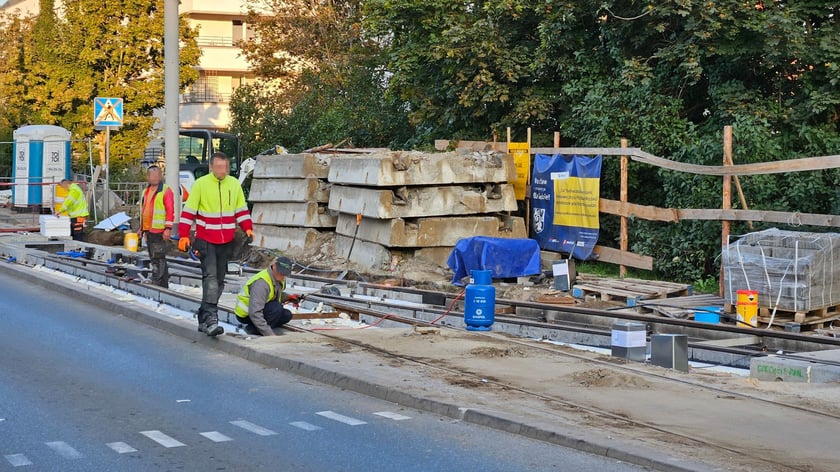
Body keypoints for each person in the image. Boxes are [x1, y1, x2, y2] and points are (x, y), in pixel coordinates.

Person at [178, 152, 254, 337]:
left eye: (225, 167)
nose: (222, 171)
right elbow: (189, 211)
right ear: (211, 167)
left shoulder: (233, 184)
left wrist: (248, 228)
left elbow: (241, 210)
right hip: (205, 240)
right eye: (219, 167)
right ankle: (212, 319)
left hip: (226, 240)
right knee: (211, 279)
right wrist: (183, 235)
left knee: (219, 281)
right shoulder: (201, 184)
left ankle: (203, 316)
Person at [234, 256, 301, 336]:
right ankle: (254, 329)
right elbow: (255, 313)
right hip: (247, 315)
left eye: (284, 274)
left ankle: (261, 327)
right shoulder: (261, 284)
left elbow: (273, 294)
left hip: (259, 308)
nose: (283, 277)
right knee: (276, 307)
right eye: (281, 273)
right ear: (274, 266)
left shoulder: (278, 278)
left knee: (286, 315)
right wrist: (270, 335)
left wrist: (289, 297)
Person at [138, 165, 175, 288]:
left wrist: (168, 228)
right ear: (147, 177)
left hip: (159, 230)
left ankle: (157, 282)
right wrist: (141, 228)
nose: (155, 177)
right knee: (155, 256)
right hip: (149, 229)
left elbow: (170, 210)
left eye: (157, 175)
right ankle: (163, 283)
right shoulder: (146, 191)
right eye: (152, 175)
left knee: (157, 258)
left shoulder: (165, 190)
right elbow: (144, 211)